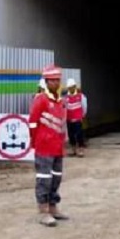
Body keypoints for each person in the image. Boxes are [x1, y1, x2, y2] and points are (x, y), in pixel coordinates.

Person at [28, 64, 69, 227]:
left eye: (58, 80)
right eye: (54, 81)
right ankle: (43, 211)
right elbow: (32, 123)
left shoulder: (60, 101)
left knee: (56, 178)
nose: (57, 83)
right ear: (47, 81)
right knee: (44, 179)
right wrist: (35, 142)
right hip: (44, 147)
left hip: (57, 147)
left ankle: (53, 207)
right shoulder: (40, 100)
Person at [64, 79, 88, 157]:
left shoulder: (81, 96)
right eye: (69, 88)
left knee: (79, 134)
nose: (70, 89)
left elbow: (84, 107)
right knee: (71, 135)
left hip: (78, 119)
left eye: (71, 87)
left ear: (75, 87)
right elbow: (65, 108)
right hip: (69, 119)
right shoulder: (66, 97)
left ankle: (81, 149)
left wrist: (82, 116)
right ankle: (73, 149)